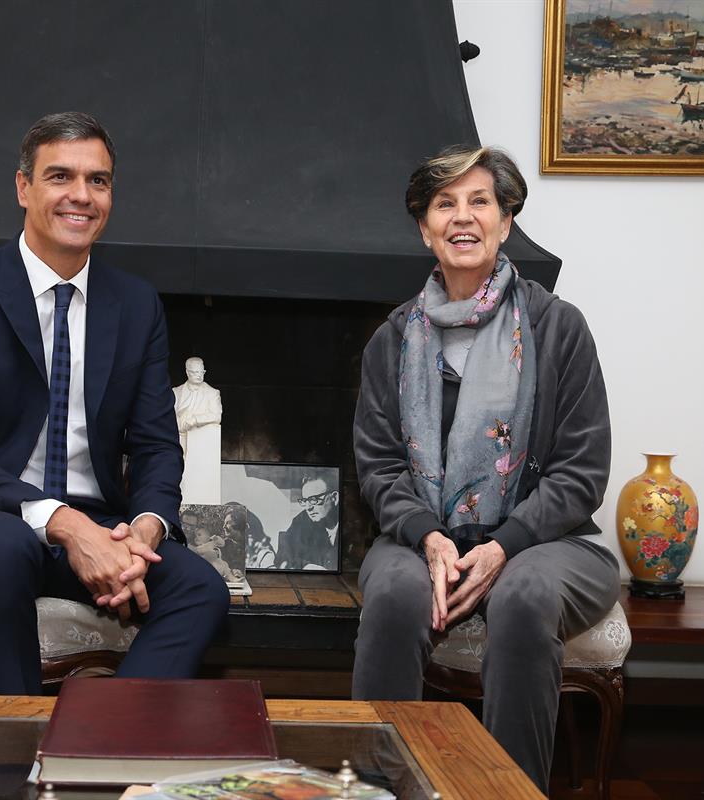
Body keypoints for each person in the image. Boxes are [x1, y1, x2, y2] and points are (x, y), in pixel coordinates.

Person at [0, 111, 230, 695]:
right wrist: (67, 525)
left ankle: (99, 740)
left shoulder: (136, 304)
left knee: (201, 589)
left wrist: (144, 531)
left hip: (101, 526)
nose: (81, 196)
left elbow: (154, 444)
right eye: (60, 176)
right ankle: (7, 760)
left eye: (98, 180)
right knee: (4, 546)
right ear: (24, 188)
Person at [351, 145, 619, 791]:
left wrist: (505, 546)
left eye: (480, 202)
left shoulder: (559, 328)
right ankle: (380, 788)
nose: (463, 217)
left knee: (525, 597)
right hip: (423, 537)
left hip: (546, 542)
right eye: (445, 204)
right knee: (392, 592)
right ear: (425, 227)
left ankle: (509, 788)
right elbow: (380, 466)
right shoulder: (393, 339)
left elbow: (581, 471)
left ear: (505, 221)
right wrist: (429, 536)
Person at [275, 475, 340, 570]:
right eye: (305, 501)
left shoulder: (352, 523)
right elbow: (282, 554)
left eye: (314, 500)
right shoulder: (302, 520)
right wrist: (306, 566)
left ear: (334, 498)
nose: (308, 507)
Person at [172, 356, 222, 453]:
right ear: (187, 372)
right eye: (195, 372)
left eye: (201, 372)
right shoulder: (176, 392)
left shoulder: (212, 393)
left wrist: (195, 419)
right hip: (176, 439)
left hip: (200, 439)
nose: (199, 375)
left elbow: (216, 416)